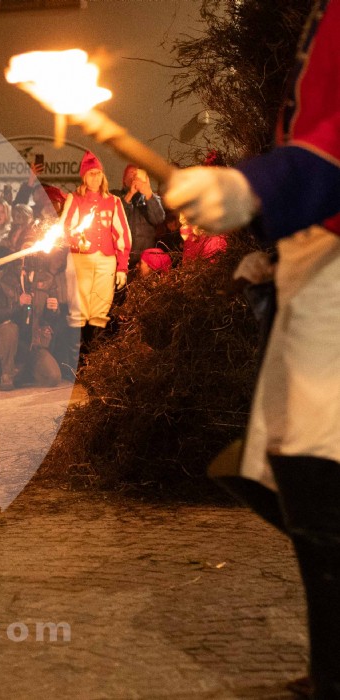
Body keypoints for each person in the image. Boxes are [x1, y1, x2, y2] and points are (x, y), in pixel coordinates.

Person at [164, 1, 340, 692]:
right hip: (314, 260)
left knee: (315, 462)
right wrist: (284, 246)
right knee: (289, 465)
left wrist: (254, 186)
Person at [61, 151, 131, 354]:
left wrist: (122, 267)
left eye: (98, 173)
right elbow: (65, 229)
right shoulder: (75, 199)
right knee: (80, 309)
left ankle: (95, 356)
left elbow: (122, 234)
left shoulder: (113, 201)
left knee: (101, 309)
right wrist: (77, 242)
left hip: (106, 260)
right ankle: (78, 357)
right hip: (81, 260)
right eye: (91, 174)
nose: (95, 178)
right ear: (84, 177)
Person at [0, 219, 64, 391]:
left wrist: (53, 309)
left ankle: (23, 372)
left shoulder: (46, 278)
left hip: (32, 342)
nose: (30, 254)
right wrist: (18, 304)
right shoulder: (3, 277)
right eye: (26, 248)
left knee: (53, 377)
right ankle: (7, 373)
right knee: (10, 329)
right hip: (7, 340)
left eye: (33, 249)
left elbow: (50, 320)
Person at [112, 164, 166, 269]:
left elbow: (158, 219)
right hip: (120, 259)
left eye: (137, 174)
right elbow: (115, 218)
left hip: (144, 262)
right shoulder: (115, 197)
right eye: (131, 174)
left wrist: (148, 194)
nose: (135, 177)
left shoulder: (151, 198)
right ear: (124, 180)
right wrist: (130, 194)